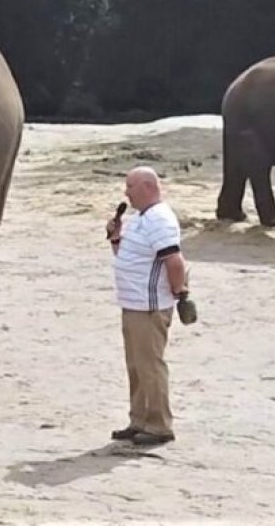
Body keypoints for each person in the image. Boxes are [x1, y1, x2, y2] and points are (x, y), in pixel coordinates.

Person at [105, 166, 187, 446]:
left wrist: (181, 294)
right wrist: (116, 238)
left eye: (131, 186)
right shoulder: (141, 218)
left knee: (150, 365)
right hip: (133, 303)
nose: (125, 192)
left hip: (149, 306)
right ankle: (139, 419)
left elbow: (174, 261)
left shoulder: (160, 219)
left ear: (149, 187)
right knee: (136, 366)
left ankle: (159, 424)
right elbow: (132, 257)